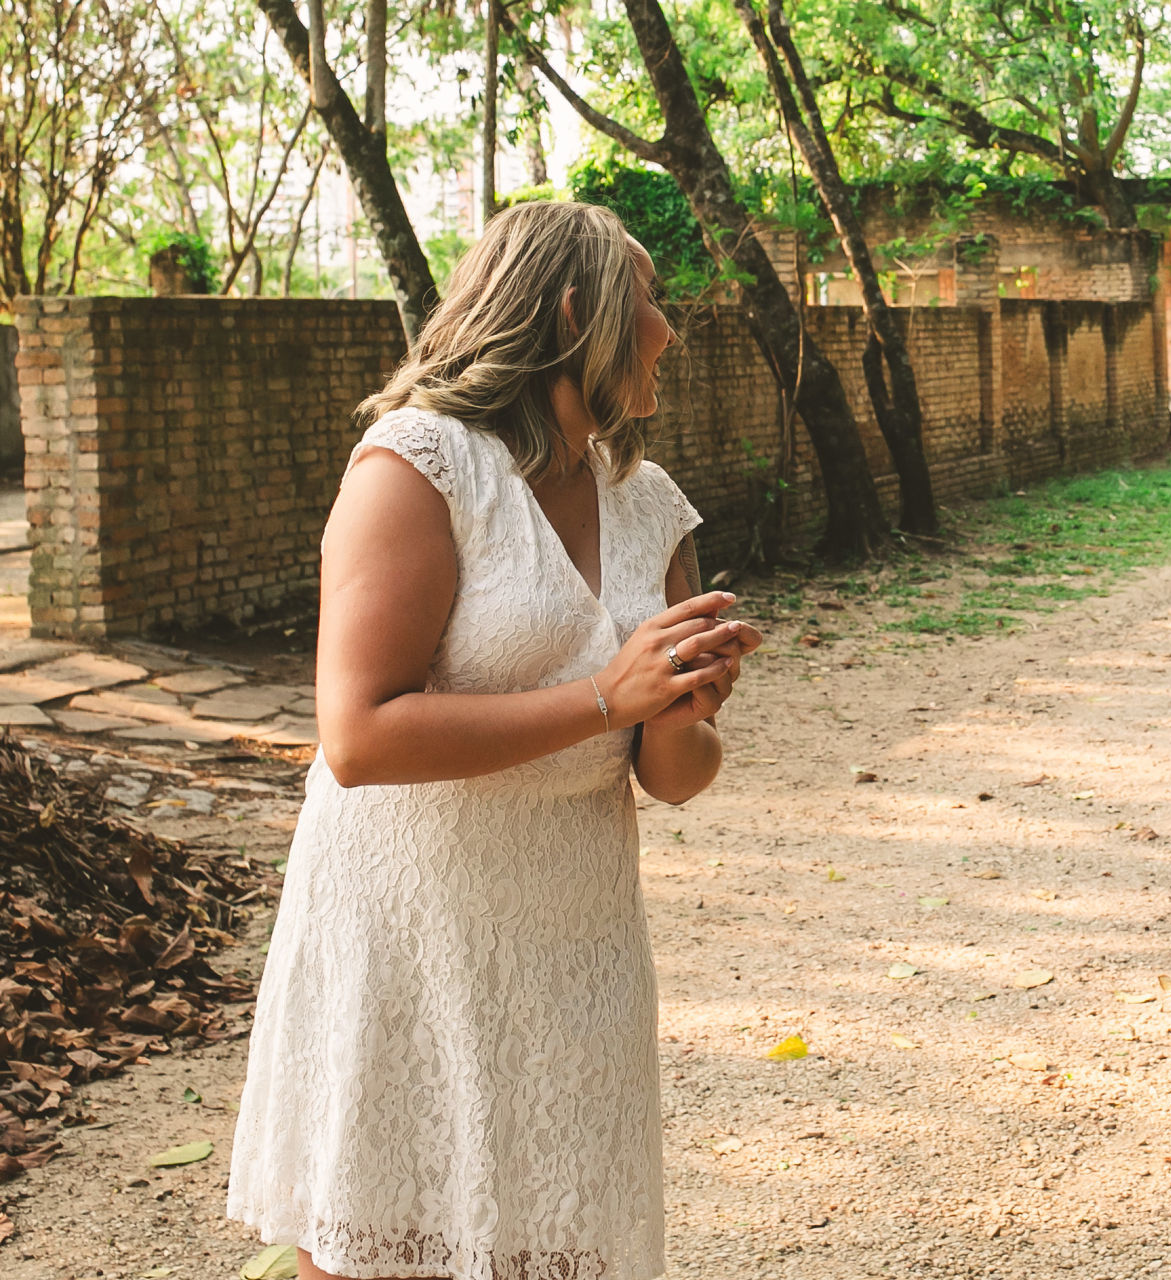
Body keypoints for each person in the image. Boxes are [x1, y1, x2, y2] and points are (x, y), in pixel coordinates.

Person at [227, 201, 760, 1280]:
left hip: (576, 941)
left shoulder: (647, 500)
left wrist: (682, 711)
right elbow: (358, 733)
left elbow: (676, 778)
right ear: (576, 312)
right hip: (410, 927)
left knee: (559, 1233)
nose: (668, 329)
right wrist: (607, 696)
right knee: (378, 1237)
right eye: (647, 302)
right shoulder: (419, 464)